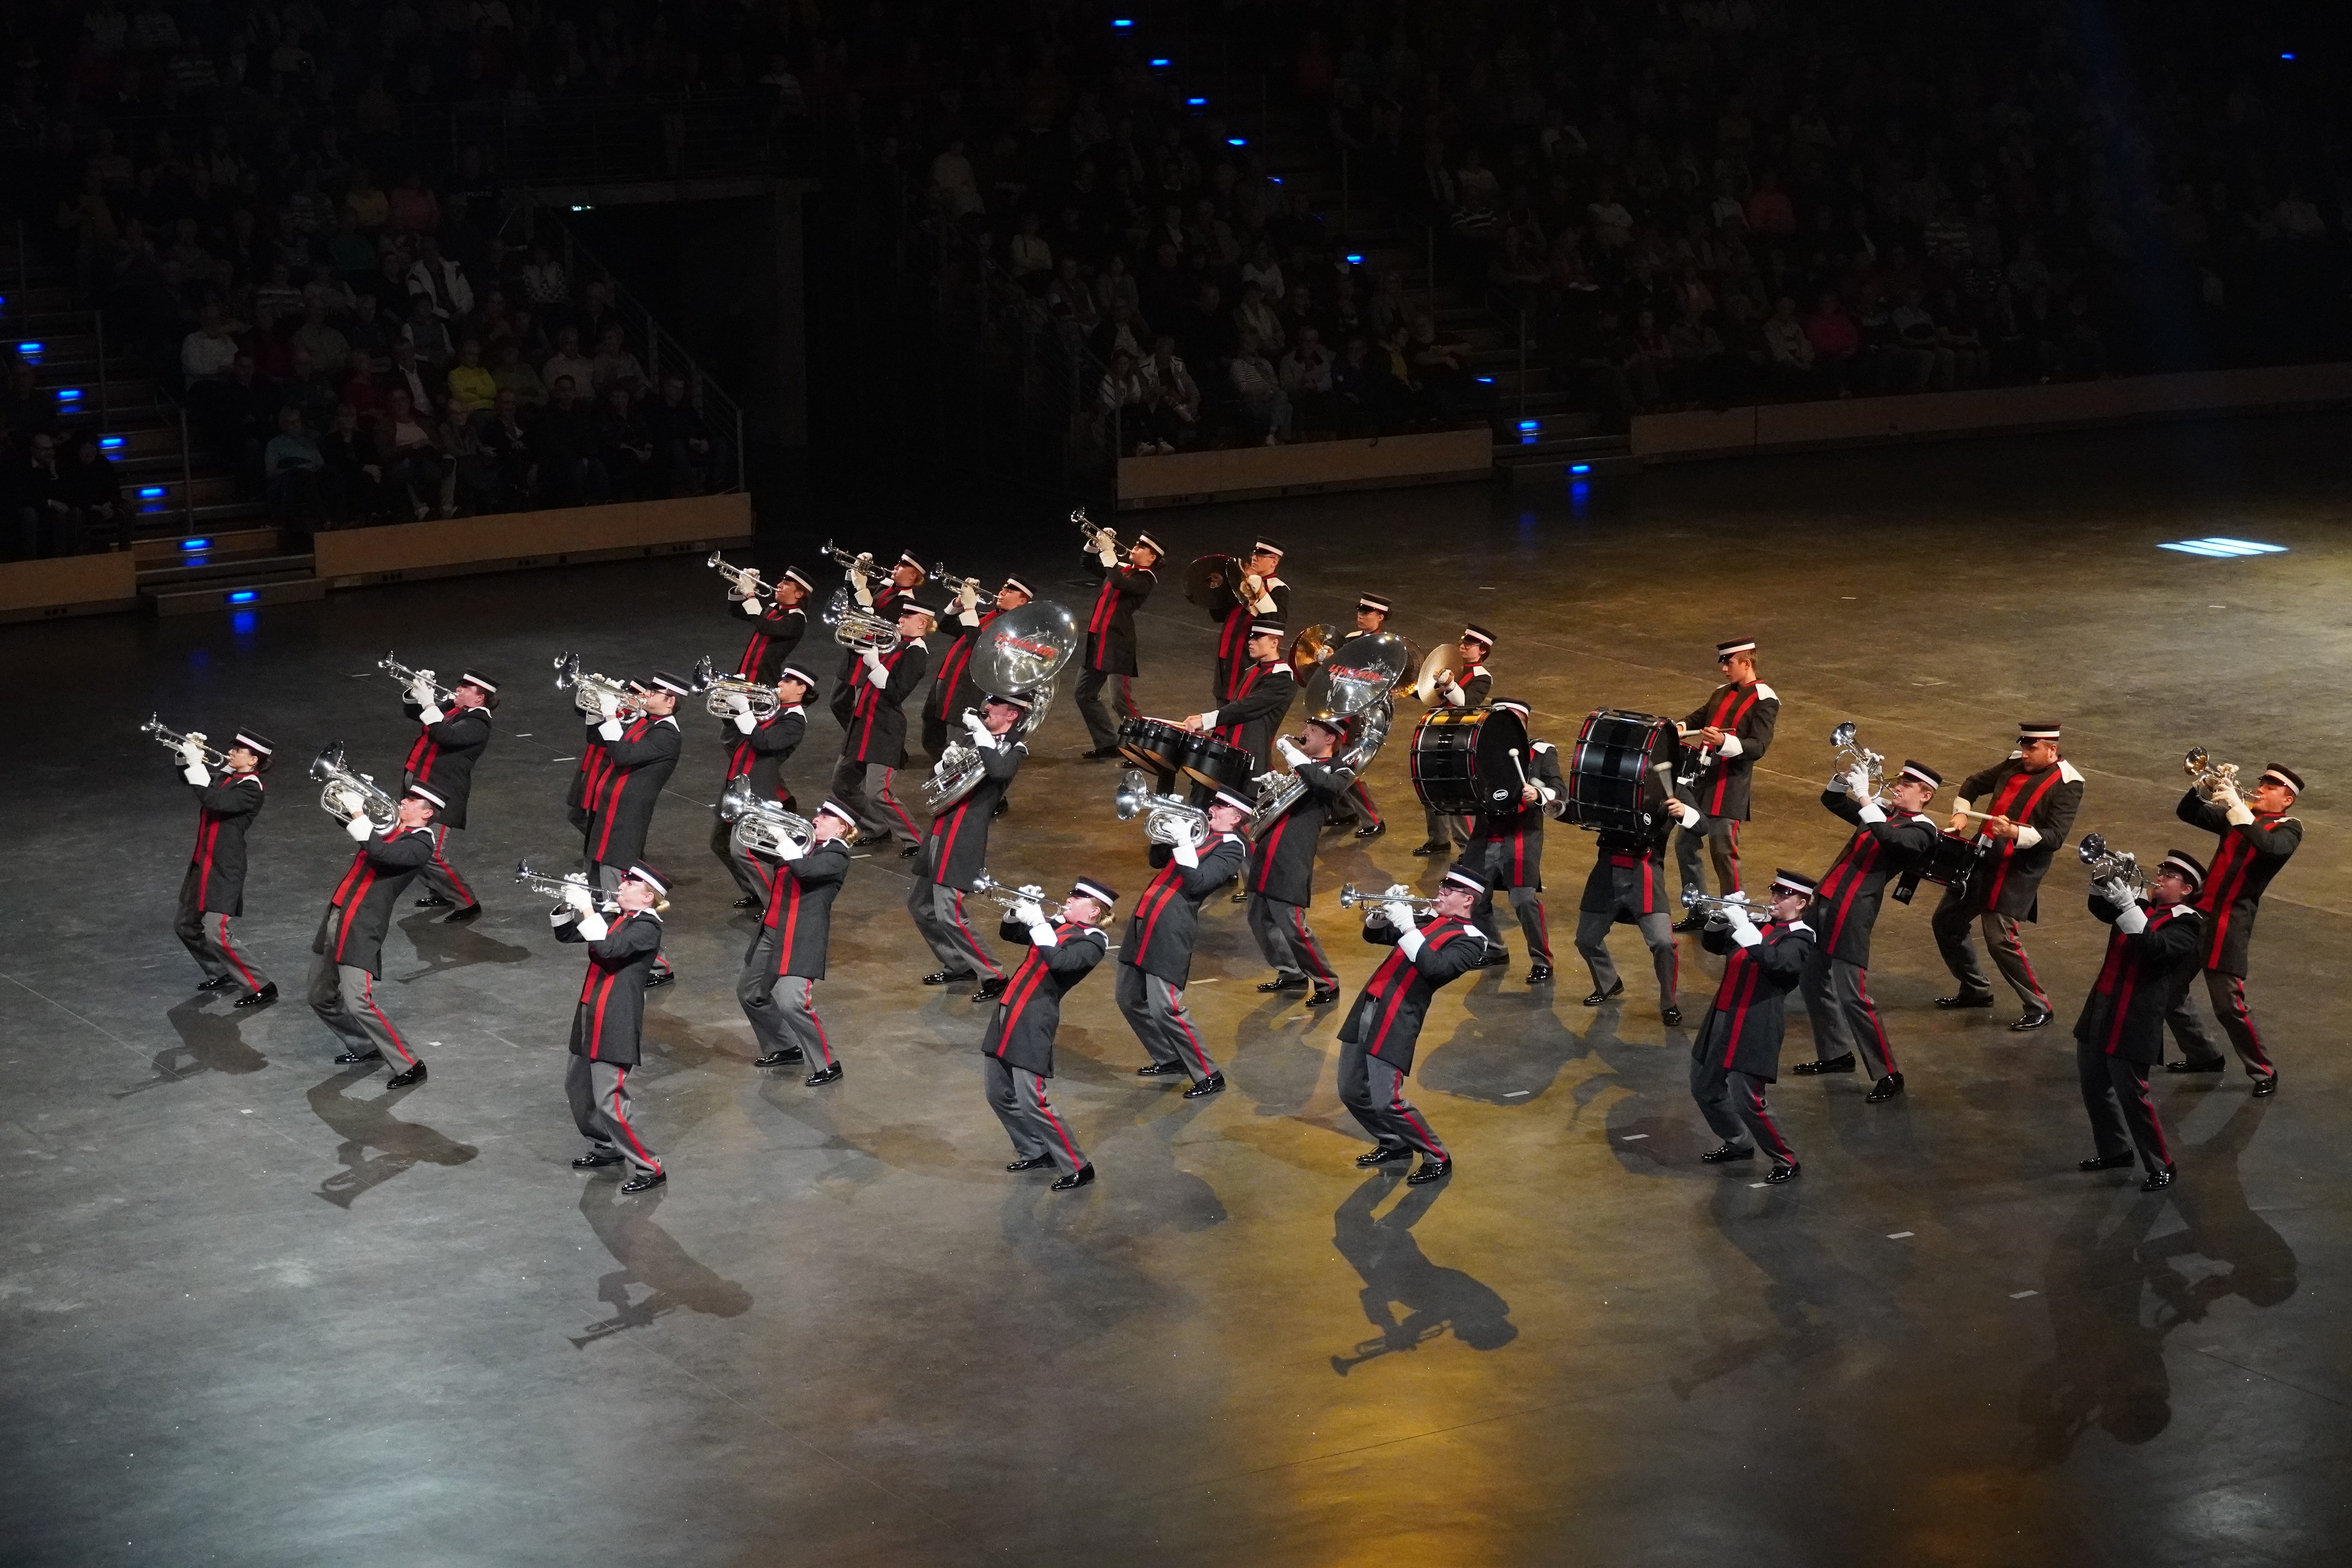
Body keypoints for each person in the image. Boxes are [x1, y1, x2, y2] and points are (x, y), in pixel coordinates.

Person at [1792, 759, 1945, 1103]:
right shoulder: (1883, 814)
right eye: (1900, 781)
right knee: (1811, 979)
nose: (1899, 786)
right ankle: (1835, 1054)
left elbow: (1891, 840)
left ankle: (1889, 1072)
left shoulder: (1923, 830)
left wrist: (1864, 797)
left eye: (1908, 784)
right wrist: (1842, 777)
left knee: (1853, 996)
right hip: (1824, 904)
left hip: (1852, 914)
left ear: (1926, 795)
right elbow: (1832, 802)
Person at [1337, 867, 1488, 1184]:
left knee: (1388, 1101)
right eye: (1443, 886)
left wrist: (1406, 923)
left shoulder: (1472, 941)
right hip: (1367, 1008)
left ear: (1468, 899)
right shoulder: (1429, 920)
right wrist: (1382, 914)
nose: (1441, 892)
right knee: (1350, 1090)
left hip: (1396, 1019)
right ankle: (1393, 1143)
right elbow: (1374, 935)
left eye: (1449, 889)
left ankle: (1437, 1154)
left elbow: (1436, 969)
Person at [1933, 722, 2084, 1030]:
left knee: (2001, 939)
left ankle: (2039, 1005)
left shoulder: (2069, 784)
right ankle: (1975, 988)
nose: (2026, 754)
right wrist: (1962, 812)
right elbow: (1973, 784)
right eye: (2025, 747)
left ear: (2052, 749)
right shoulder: (2014, 763)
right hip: (1982, 856)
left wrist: (2015, 831)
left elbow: (2055, 837)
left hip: (2016, 869)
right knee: (1947, 922)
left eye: (2033, 749)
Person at [2165, 764, 2305, 1094]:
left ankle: (2264, 1070)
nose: (2260, 790)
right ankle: (2203, 1054)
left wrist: (2238, 808)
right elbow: (2188, 812)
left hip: (2230, 923)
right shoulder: (2239, 815)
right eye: (2262, 784)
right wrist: (2207, 785)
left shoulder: (2289, 828)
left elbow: (2270, 849)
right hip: (2199, 915)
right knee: (2167, 990)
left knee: (2229, 1006)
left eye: (2270, 788)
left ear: (2286, 800)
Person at [2078, 851, 2210, 1191]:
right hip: (2103, 1006)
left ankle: (2162, 1164)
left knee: (2133, 1095)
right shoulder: (2142, 904)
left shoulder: (2188, 922)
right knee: (2094, 1086)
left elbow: (2157, 949)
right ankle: (2115, 1151)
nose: (2160, 877)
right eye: (2162, 871)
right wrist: (2103, 875)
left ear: (2187, 889)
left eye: (2170, 876)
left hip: (2133, 1016)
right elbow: (2100, 908)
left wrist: (2128, 906)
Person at [982, 876, 1120, 1191]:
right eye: (1071, 895)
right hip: (1008, 1011)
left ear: (1094, 911)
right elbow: (1011, 933)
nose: (1068, 900)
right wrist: (1018, 911)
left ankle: (1078, 1165)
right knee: (998, 1092)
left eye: (1078, 898)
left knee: (1034, 1101)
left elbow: (1059, 962)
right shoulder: (1058, 926)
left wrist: (1041, 925)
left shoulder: (1093, 941)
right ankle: (1035, 1150)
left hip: (1033, 1020)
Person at [309, 784, 443, 1087]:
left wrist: (359, 810)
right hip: (337, 915)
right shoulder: (390, 828)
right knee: (319, 996)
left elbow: (380, 853)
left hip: (362, 925)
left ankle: (409, 1063)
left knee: (358, 1001)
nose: (403, 802)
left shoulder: (420, 844)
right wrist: (346, 801)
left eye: (411, 801)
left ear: (427, 812)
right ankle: (364, 1045)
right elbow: (349, 824)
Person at [1120, 789, 1251, 1096]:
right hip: (1144, 917)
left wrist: (1182, 840)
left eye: (1221, 807)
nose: (1212, 809)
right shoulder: (1199, 832)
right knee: (1127, 997)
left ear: (1236, 817)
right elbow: (1157, 861)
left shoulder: (1232, 848)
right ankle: (1168, 1057)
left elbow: (1198, 885)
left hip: (1170, 927)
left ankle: (1209, 1074)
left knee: (1167, 1006)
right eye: (1214, 804)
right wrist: (1164, 831)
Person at [1689, 871, 1818, 1183]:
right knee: (1704, 1087)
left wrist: (1745, 925)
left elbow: (1777, 963)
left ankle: (1786, 1159)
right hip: (1722, 1016)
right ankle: (1738, 1143)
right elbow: (1715, 946)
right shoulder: (1763, 925)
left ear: (1801, 903)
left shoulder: (1801, 937)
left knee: (1748, 1099)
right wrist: (1720, 918)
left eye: (1784, 896)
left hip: (1754, 1024)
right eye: (1774, 892)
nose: (1774, 899)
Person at [553, 864, 671, 1192]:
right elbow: (567, 935)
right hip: (590, 1013)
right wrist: (567, 905)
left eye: (631, 883)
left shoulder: (647, 927)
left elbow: (607, 951)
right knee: (577, 1088)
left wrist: (588, 908)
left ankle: (650, 1166)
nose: (622, 885)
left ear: (648, 897)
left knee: (610, 1101)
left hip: (615, 1020)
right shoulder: (619, 917)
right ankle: (606, 1146)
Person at [908, 692, 1029, 996]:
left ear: (1012, 714)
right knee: (921, 905)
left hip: (965, 833)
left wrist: (977, 731)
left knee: (950, 912)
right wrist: (943, 765)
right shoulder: (973, 739)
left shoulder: (1016, 748)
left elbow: (998, 771)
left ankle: (994, 975)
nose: (985, 707)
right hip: (942, 826)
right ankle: (958, 965)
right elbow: (937, 778)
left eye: (994, 704)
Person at [739, 802, 858, 1085]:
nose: (817, 818)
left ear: (842, 827)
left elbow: (805, 872)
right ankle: (785, 1047)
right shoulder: (803, 843)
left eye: (825, 817)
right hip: (771, 932)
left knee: (792, 1002)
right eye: (818, 814)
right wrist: (760, 819)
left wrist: (782, 837)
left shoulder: (837, 856)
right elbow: (756, 852)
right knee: (751, 993)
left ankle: (828, 1063)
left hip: (801, 938)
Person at [1575, 767, 1702, 1026]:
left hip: (1645, 874)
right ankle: (1609, 983)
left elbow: (1702, 825)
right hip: (1607, 872)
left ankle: (1668, 1002)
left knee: (1664, 943)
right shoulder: (1613, 780)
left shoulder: (1674, 787)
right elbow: (1578, 809)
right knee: (1586, 940)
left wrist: (1684, 812)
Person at [584, 674, 688, 990]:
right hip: (611, 815)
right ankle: (620, 950)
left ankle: (658, 965)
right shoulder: (646, 724)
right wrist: (597, 710)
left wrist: (612, 714)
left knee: (620, 892)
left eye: (653, 693)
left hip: (627, 820)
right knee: (606, 887)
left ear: (670, 700)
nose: (645, 696)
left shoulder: (667, 735)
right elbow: (600, 740)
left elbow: (623, 755)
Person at [1247, 715, 1355, 1007]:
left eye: (1312, 731)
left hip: (1292, 856)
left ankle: (1327, 981)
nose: (1304, 733)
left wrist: (1293, 756)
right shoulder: (1301, 770)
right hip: (1268, 852)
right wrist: (1267, 791)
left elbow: (1326, 786)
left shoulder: (1340, 771)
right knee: (1259, 918)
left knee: (1293, 927)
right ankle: (1291, 973)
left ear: (1330, 739)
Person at [1671, 639, 1779, 923]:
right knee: (1685, 846)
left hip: (1729, 786)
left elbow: (1759, 746)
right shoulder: (1721, 693)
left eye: (1729, 663)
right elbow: (1699, 717)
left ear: (1747, 663)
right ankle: (1697, 911)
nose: (1724, 669)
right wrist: (1680, 727)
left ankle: (1736, 917)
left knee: (1723, 852)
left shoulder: (1765, 699)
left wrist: (1723, 741)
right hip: (1701, 783)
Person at [171, 726, 276, 1007]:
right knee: (185, 925)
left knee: (216, 933)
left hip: (225, 868)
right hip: (203, 861)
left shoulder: (252, 789)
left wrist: (196, 763)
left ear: (253, 760)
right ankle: (220, 971)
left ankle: (261, 986)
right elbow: (194, 782)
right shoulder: (228, 777)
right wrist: (185, 757)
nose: (230, 752)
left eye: (238, 750)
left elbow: (212, 799)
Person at [1461, 701, 1561, 982]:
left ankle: (1542, 959)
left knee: (1523, 901)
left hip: (1520, 835)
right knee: (1474, 898)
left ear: (1525, 724)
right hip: (1486, 834)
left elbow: (1559, 791)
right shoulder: (1478, 752)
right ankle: (1494, 948)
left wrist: (1539, 795)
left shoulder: (1542, 752)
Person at [830, 597, 935, 854]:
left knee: (879, 792)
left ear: (922, 624)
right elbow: (854, 657)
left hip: (884, 730)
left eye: (907, 617)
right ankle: (877, 827)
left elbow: (897, 693)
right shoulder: (895, 644)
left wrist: (875, 664)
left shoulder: (917, 654)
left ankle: (916, 840)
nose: (899, 620)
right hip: (862, 725)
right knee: (841, 785)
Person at [399, 665, 497, 920]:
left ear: (480, 697)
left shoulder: (479, 723)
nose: (458, 690)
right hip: (423, 785)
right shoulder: (455, 708)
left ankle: (467, 902)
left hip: (443, 794)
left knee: (431, 852)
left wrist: (431, 703)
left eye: (466, 688)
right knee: (411, 841)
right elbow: (414, 712)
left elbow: (447, 736)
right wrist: (417, 689)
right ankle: (440, 891)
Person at [711, 664, 812, 907]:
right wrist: (733, 702)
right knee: (720, 844)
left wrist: (745, 708)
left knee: (743, 851)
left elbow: (764, 743)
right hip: (737, 785)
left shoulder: (795, 721)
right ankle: (756, 893)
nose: (779, 684)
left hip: (758, 792)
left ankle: (776, 906)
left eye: (787, 682)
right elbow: (737, 729)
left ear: (801, 689)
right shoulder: (773, 710)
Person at [923, 575, 1033, 763]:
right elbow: (947, 626)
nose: (1002, 592)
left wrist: (970, 608)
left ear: (1022, 602)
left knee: (956, 748)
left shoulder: (1014, 631)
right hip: (945, 685)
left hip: (966, 692)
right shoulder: (984, 617)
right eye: (1004, 588)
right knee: (932, 739)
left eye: (1010, 591)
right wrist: (960, 601)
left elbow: (981, 648)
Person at [1077, 527, 1162, 758]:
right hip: (1097, 640)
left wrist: (1108, 551)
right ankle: (1107, 743)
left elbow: (1117, 582)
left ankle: (1143, 750)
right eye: (1136, 545)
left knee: (1120, 701)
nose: (1134, 548)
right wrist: (1096, 544)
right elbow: (1088, 563)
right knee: (1084, 694)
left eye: (1140, 547)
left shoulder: (1146, 579)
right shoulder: (1123, 569)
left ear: (1152, 557)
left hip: (1118, 645)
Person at [1414, 625, 1495, 855]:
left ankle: (1469, 849)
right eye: (1463, 642)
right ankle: (1438, 839)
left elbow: (1467, 705)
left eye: (1470, 644)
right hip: (1434, 730)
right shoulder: (1450, 668)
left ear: (1482, 651)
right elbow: (1427, 696)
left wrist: (1449, 684)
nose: (1463, 646)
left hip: (1459, 737)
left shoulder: (1482, 677)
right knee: (1430, 786)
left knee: (1458, 795)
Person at [1184, 620, 1296, 775]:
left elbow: (1246, 708)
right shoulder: (1253, 671)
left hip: (1249, 759)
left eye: (1258, 638)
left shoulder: (1282, 678)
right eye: (1251, 638)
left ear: (1274, 643)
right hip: (1229, 752)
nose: (1251, 642)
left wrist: (1207, 720)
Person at [1333, 593, 1395, 838]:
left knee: (1349, 766)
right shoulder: (1348, 640)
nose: (1360, 615)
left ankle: (1373, 820)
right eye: (1359, 610)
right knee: (1331, 761)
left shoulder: (1387, 646)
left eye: (1366, 613)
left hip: (1363, 715)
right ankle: (1344, 812)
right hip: (1339, 708)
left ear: (1380, 618)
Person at [1209, 541, 1290, 701]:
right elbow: (1219, 617)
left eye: (1261, 556)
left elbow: (1277, 622)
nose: (1255, 558)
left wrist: (1259, 590)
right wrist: (1216, 591)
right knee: (1222, 705)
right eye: (1254, 554)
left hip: (1248, 656)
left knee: (1240, 703)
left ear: (1275, 562)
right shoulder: (1240, 583)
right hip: (1227, 654)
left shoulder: (1278, 589)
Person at [728, 565, 813, 683]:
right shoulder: (773, 609)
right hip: (745, 674)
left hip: (764, 681)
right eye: (782, 582)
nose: (779, 585)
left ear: (799, 594)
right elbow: (737, 612)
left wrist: (750, 594)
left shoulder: (797, 620)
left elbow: (766, 628)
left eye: (787, 584)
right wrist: (740, 590)